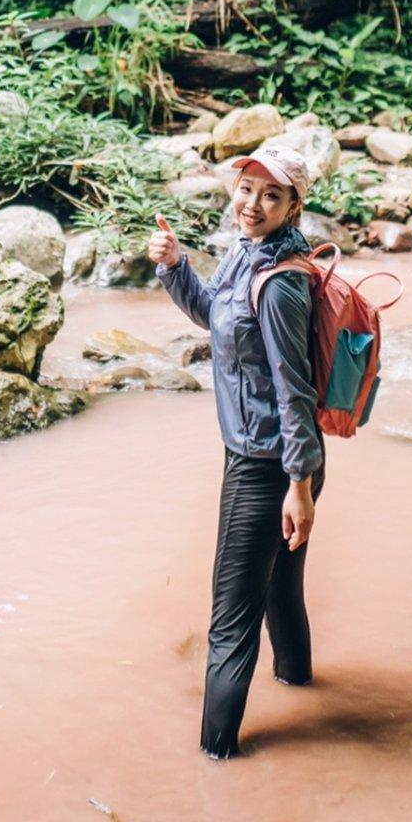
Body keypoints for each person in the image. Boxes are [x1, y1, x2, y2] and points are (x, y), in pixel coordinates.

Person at [147, 138, 325, 758]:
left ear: (292, 207)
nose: (252, 204)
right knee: (279, 591)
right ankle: (299, 684)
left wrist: (299, 488)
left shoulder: (280, 285)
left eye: (270, 195)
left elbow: (294, 390)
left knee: (230, 619)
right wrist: (175, 268)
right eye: (247, 189)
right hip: (276, 460)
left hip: (269, 468)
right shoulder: (246, 254)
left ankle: (215, 760)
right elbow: (215, 316)